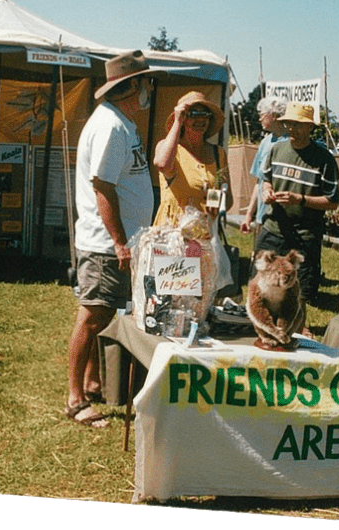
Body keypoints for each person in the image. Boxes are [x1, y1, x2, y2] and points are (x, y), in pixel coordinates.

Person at [65, 50, 157, 427]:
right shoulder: (110, 126)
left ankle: (90, 384)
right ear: (130, 86)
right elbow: (102, 187)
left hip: (120, 241)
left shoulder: (122, 123)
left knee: (101, 315)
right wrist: (120, 241)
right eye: (145, 82)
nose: (149, 88)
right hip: (105, 244)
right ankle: (74, 399)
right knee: (92, 316)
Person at [254, 102, 339, 299]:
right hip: (273, 229)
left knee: (300, 292)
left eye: (299, 124)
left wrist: (299, 199)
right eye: (290, 124)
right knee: (261, 284)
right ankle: (261, 325)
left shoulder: (324, 159)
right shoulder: (276, 150)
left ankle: (299, 326)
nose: (293, 129)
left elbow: (332, 201)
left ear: (310, 127)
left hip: (304, 234)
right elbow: (266, 180)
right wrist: (267, 192)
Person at [153, 90, 232, 227]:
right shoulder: (170, 149)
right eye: (193, 114)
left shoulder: (218, 153)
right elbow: (162, 165)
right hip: (171, 235)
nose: (200, 119)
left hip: (203, 235)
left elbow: (227, 197)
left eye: (205, 114)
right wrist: (177, 121)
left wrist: (212, 204)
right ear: (183, 119)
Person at [240, 96, 287, 236]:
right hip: (262, 216)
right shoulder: (265, 143)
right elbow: (258, 183)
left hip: (281, 219)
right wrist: (249, 216)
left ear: (273, 115)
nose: (259, 119)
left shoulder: (290, 142)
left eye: (262, 114)